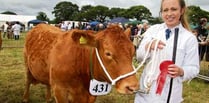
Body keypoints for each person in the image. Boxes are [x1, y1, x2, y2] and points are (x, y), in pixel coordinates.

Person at [134, 0, 200, 103]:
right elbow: (139, 57)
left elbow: (194, 68)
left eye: (173, 9)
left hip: (170, 94)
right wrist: (148, 47)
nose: (169, 14)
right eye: (165, 10)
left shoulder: (189, 38)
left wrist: (182, 71)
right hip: (146, 91)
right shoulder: (152, 30)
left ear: (182, 10)